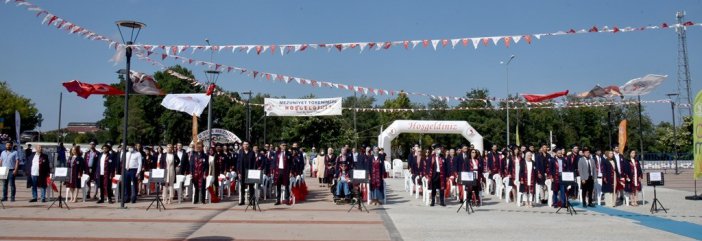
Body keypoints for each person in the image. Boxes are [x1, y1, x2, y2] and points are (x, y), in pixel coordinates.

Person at [237, 141, 255, 206]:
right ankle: (242, 200)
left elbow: (254, 163)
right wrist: (238, 172)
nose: (245, 145)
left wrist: (253, 172)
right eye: (244, 144)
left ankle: (251, 201)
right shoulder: (240, 152)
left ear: (249, 145)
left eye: (247, 144)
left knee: (251, 187)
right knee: (242, 186)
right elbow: (238, 162)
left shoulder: (252, 153)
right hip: (242, 172)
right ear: (242, 145)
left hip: (250, 172)